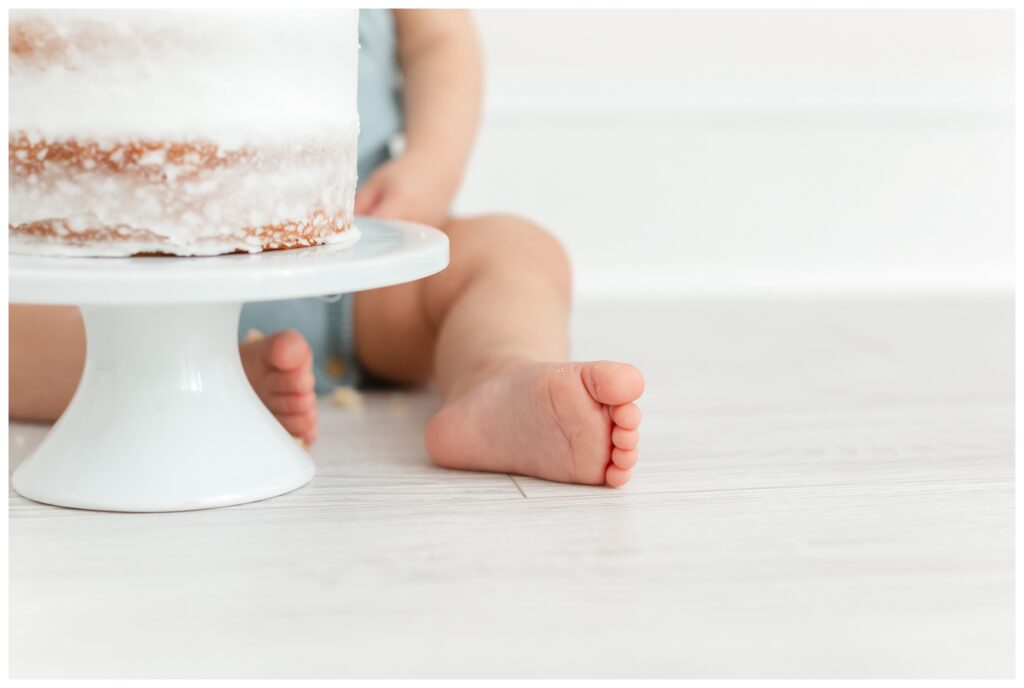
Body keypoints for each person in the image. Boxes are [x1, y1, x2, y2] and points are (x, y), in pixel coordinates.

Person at [9, 9, 644, 487]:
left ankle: (497, 375)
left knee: (515, 250)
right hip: (118, 277)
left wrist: (427, 171)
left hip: (359, 254)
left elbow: (441, 44)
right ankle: (205, 375)